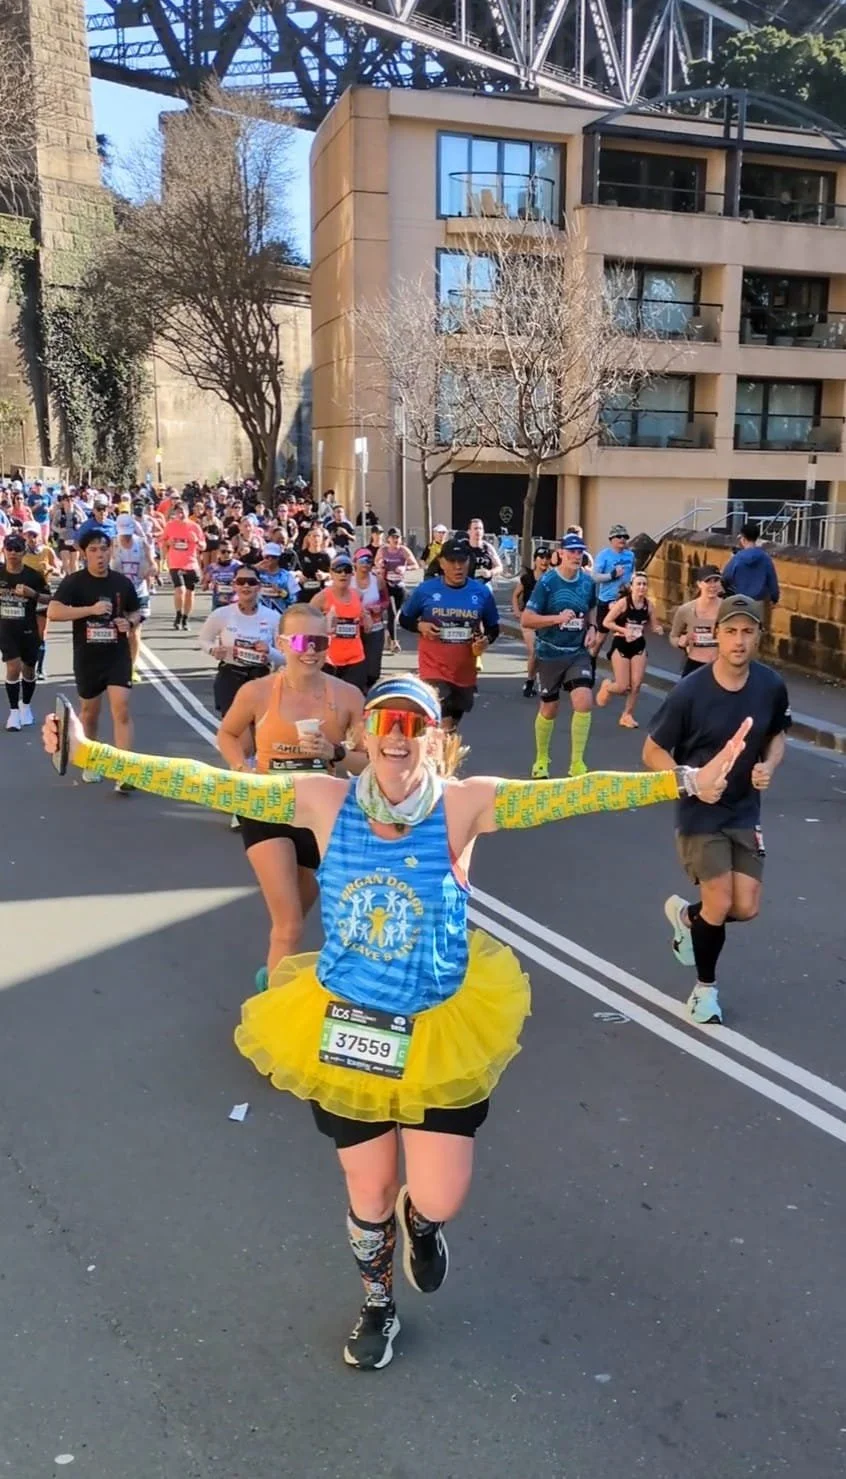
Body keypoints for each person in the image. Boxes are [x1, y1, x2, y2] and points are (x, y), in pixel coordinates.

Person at [45, 676, 749, 1371]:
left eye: (414, 726)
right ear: (364, 735)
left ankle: (425, 1222)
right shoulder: (324, 798)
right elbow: (207, 782)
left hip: (439, 1024)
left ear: (436, 740)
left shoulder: (465, 806)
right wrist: (93, 754)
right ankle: (377, 1303)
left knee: (440, 1191)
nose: (398, 737)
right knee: (367, 1186)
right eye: (386, 723)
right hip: (349, 1024)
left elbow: (577, 793)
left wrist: (685, 780)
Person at [643, 595, 790, 1026]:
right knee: (720, 898)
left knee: (744, 907)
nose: (739, 641)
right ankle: (704, 992)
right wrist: (692, 782)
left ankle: (687, 917)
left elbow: (776, 734)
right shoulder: (690, 691)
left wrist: (769, 764)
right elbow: (652, 751)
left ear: (759, 637)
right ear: (717, 635)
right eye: (731, 631)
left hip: (744, 811)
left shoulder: (770, 685)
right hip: (699, 811)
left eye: (748, 632)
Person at [218, 604, 367, 988]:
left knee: (294, 918)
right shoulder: (257, 692)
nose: (310, 650)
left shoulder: (348, 696)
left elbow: (370, 762)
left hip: (322, 816)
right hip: (268, 808)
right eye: (301, 640)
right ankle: (273, 1018)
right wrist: (241, 769)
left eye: (319, 640)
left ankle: (273, 976)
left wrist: (334, 753)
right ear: (283, 643)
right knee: (288, 926)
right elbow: (228, 733)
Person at [46, 529, 141, 791]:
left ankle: (125, 771)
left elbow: (136, 610)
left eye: (104, 549)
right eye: (94, 550)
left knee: (121, 708)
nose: (100, 555)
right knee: (89, 714)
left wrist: (129, 622)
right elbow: (54, 612)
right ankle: (92, 760)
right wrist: (90, 610)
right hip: (88, 657)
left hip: (116, 655)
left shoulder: (121, 582)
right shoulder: (75, 582)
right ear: (85, 553)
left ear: (111, 551)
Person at [399, 538, 499, 731]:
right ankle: (433, 757)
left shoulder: (481, 593)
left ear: (468, 562)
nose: (457, 567)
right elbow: (405, 619)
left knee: (450, 725)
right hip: (433, 669)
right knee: (442, 723)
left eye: (461, 561)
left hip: (464, 672)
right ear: (442, 563)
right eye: (452, 562)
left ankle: (443, 758)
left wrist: (485, 642)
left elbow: (493, 627)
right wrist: (421, 626)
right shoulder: (426, 590)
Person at [522, 531, 600, 779]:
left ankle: (577, 763)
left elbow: (592, 606)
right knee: (550, 709)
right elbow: (527, 619)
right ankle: (542, 759)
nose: (577, 556)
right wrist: (556, 619)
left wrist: (592, 627)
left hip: (577, 652)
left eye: (580, 552)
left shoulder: (587, 582)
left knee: (584, 700)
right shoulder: (547, 583)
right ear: (561, 554)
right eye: (572, 551)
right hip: (550, 653)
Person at [198, 565, 284, 720]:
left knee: (257, 727)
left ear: (258, 586)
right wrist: (213, 650)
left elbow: (285, 657)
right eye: (241, 581)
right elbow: (204, 639)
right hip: (231, 675)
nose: (246, 586)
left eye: (251, 582)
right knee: (233, 727)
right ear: (234, 585)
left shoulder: (272, 617)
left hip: (260, 677)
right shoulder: (222, 614)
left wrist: (269, 651)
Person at [596, 571, 663, 728]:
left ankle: (627, 715)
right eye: (638, 584)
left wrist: (658, 629)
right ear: (632, 586)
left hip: (638, 645)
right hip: (621, 643)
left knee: (636, 684)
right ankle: (607, 686)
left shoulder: (649, 605)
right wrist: (625, 631)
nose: (642, 587)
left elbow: (653, 625)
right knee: (622, 686)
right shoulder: (623, 603)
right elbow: (606, 622)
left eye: (644, 584)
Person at [0, 532, 47, 730]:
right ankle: (13, 713)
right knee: (13, 666)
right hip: (5, 628)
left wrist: (33, 594)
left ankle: (25, 706)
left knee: (28, 669)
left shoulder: (33, 576)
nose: (12, 553)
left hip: (28, 629)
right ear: (3, 550)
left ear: (24, 551)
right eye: (9, 549)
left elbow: (50, 600)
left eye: (17, 549)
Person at [310, 554, 371, 694]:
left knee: (353, 698)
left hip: (355, 657)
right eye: (338, 570)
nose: (343, 574)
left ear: (352, 574)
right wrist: (324, 624)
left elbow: (361, 615)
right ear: (331, 573)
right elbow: (306, 624)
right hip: (329, 659)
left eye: (347, 570)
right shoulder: (322, 597)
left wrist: (366, 618)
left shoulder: (357, 595)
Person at [111, 514, 155, 680]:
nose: (126, 537)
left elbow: (153, 564)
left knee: (134, 631)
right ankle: (118, 664)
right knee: (118, 631)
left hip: (138, 591)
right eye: (123, 534)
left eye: (128, 533)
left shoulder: (142, 543)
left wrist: (151, 570)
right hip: (118, 593)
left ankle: (132, 667)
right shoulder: (112, 544)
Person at [512, 544, 552, 697]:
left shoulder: (551, 578)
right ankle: (530, 681)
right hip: (528, 619)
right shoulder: (527, 578)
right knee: (534, 651)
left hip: (545, 619)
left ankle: (545, 681)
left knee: (546, 652)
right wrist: (517, 611)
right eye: (541, 557)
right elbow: (515, 595)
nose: (544, 561)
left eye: (547, 558)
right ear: (535, 560)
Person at [670, 566, 723, 677]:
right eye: (708, 581)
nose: (713, 586)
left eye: (716, 581)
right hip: (694, 665)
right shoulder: (686, 610)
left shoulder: (727, 608)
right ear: (699, 584)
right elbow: (673, 636)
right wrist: (680, 642)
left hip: (720, 666)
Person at [161, 499, 205, 630]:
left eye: (183, 512)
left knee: (190, 593)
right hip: (175, 562)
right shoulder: (170, 525)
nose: (180, 514)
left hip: (190, 563)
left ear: (187, 512)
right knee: (180, 590)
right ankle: (178, 616)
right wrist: (169, 544)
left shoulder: (194, 526)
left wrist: (196, 540)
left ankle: (186, 618)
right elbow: (164, 542)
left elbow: (203, 545)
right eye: (178, 512)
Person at [589, 524, 636, 648]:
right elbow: (594, 576)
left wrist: (632, 584)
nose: (622, 539)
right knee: (601, 637)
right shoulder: (604, 555)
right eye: (619, 536)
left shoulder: (630, 555)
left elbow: (633, 573)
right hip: (606, 599)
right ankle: (590, 661)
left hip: (624, 600)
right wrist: (611, 575)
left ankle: (620, 659)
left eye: (625, 537)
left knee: (624, 634)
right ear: (611, 539)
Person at [374, 527, 418, 654]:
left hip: (399, 585)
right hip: (386, 585)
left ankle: (390, 635)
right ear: (388, 539)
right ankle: (394, 642)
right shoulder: (383, 550)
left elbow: (415, 565)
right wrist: (381, 564)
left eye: (398, 537)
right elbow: (376, 564)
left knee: (396, 614)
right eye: (393, 537)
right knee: (392, 613)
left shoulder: (403, 550)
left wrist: (405, 568)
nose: (396, 540)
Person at [354, 547, 390, 689]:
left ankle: (370, 690)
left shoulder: (378, 581)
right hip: (354, 629)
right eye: (362, 560)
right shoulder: (348, 581)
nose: (365, 564)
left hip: (375, 627)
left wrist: (379, 607)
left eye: (369, 561)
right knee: (357, 665)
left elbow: (386, 601)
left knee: (373, 667)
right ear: (355, 562)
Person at [722, 522, 780, 608]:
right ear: (756, 538)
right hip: (760, 603)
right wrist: (774, 599)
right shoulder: (766, 558)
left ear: (743, 538)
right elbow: (772, 583)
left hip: (739, 602)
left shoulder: (737, 558)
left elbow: (726, 578)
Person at [257, 543, 301, 615]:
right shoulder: (256, 574)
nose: (270, 559)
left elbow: (294, 599)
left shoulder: (287, 576)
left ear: (278, 558)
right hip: (260, 616)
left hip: (279, 615)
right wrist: (255, 568)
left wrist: (281, 592)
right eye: (267, 557)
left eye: (274, 557)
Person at [201, 540, 241, 609]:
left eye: (229, 552)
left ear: (233, 552)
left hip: (234, 603)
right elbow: (204, 587)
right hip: (218, 603)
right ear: (218, 552)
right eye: (223, 552)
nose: (226, 554)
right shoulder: (212, 567)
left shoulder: (238, 566)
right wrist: (209, 584)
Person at [465, 519, 503, 585]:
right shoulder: (463, 547)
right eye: (475, 528)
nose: (478, 531)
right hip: (467, 584)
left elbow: (499, 567)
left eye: (480, 528)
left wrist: (490, 573)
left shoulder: (488, 548)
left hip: (485, 584)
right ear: (469, 531)